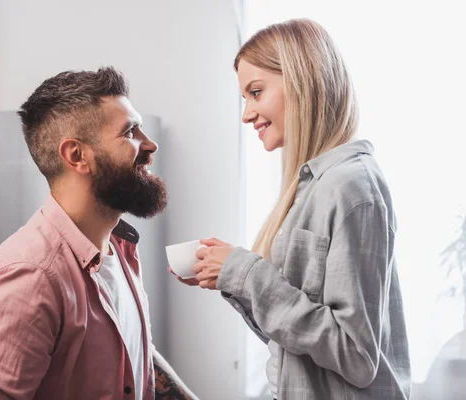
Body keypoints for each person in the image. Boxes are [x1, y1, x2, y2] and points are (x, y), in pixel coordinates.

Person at [172, 18, 411, 399]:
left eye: (256, 92)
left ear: (302, 81)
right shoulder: (313, 188)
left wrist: (246, 273)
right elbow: (292, 341)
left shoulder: (350, 186)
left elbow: (356, 356)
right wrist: (231, 278)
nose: (247, 114)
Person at [0, 67, 198, 400]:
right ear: (77, 156)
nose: (150, 145)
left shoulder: (116, 246)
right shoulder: (29, 280)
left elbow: (130, 350)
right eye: (130, 132)